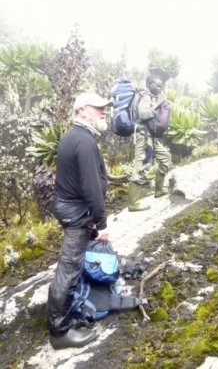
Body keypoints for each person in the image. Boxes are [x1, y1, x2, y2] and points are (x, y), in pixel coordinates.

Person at [48, 92, 111, 349]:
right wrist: (102, 223)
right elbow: (91, 186)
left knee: (70, 265)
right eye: (98, 108)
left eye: (104, 108)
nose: (103, 111)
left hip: (71, 209)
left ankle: (69, 311)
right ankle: (59, 332)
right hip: (75, 213)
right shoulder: (84, 141)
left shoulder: (73, 135)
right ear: (82, 110)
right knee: (68, 268)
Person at [128, 74, 172, 211]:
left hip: (150, 136)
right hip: (143, 135)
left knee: (165, 157)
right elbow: (143, 114)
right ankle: (133, 203)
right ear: (149, 84)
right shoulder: (145, 95)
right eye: (157, 85)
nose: (160, 88)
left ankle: (159, 190)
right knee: (140, 164)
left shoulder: (149, 96)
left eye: (161, 86)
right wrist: (159, 104)